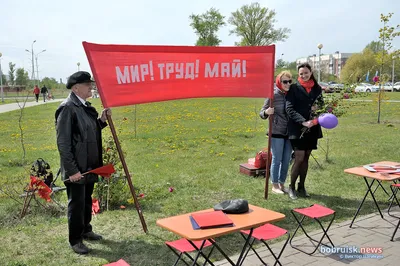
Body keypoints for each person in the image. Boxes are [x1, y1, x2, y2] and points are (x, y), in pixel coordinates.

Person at [55, 71, 111, 254]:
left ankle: (86, 229)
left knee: (86, 201)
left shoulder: (83, 106)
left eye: (91, 84)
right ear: (76, 87)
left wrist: (101, 121)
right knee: (77, 204)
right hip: (76, 168)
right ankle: (75, 240)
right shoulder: (67, 108)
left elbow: (88, 131)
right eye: (88, 85)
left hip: (89, 165)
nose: (91, 87)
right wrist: (72, 170)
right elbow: (63, 142)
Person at [285, 63, 323, 200]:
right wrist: (302, 121)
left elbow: (321, 106)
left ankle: (302, 186)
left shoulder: (317, 88)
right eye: (301, 74)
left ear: (311, 72)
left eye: (306, 73)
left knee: (306, 157)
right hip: (297, 128)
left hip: (312, 128)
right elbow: (289, 108)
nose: (303, 75)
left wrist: (318, 111)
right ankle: (291, 187)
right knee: (299, 157)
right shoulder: (294, 88)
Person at [260, 71, 293, 194]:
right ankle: (274, 185)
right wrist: (266, 112)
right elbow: (261, 113)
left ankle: (281, 183)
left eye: (289, 81)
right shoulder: (272, 95)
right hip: (276, 132)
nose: (287, 84)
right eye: (285, 81)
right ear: (279, 82)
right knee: (277, 159)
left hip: (290, 132)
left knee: (287, 160)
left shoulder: (291, 94)